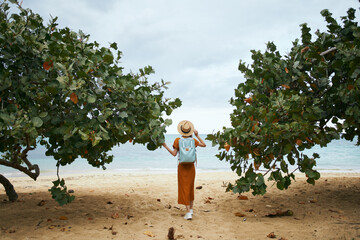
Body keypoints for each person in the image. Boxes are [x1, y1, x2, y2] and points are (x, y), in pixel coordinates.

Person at [162, 120, 206, 220]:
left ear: (181, 131)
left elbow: (174, 154)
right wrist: (197, 135)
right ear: (190, 131)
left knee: (184, 188)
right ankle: (191, 209)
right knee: (190, 188)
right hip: (191, 167)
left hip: (182, 167)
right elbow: (204, 144)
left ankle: (188, 211)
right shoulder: (193, 141)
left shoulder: (177, 140)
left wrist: (165, 146)